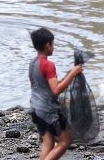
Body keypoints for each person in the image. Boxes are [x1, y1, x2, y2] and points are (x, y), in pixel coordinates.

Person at [28, 27, 83, 160]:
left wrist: (69, 75)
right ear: (47, 45)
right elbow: (56, 90)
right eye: (53, 44)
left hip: (35, 108)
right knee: (66, 141)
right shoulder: (48, 65)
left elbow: (41, 86)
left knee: (49, 143)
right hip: (49, 111)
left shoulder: (32, 63)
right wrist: (73, 73)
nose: (54, 47)